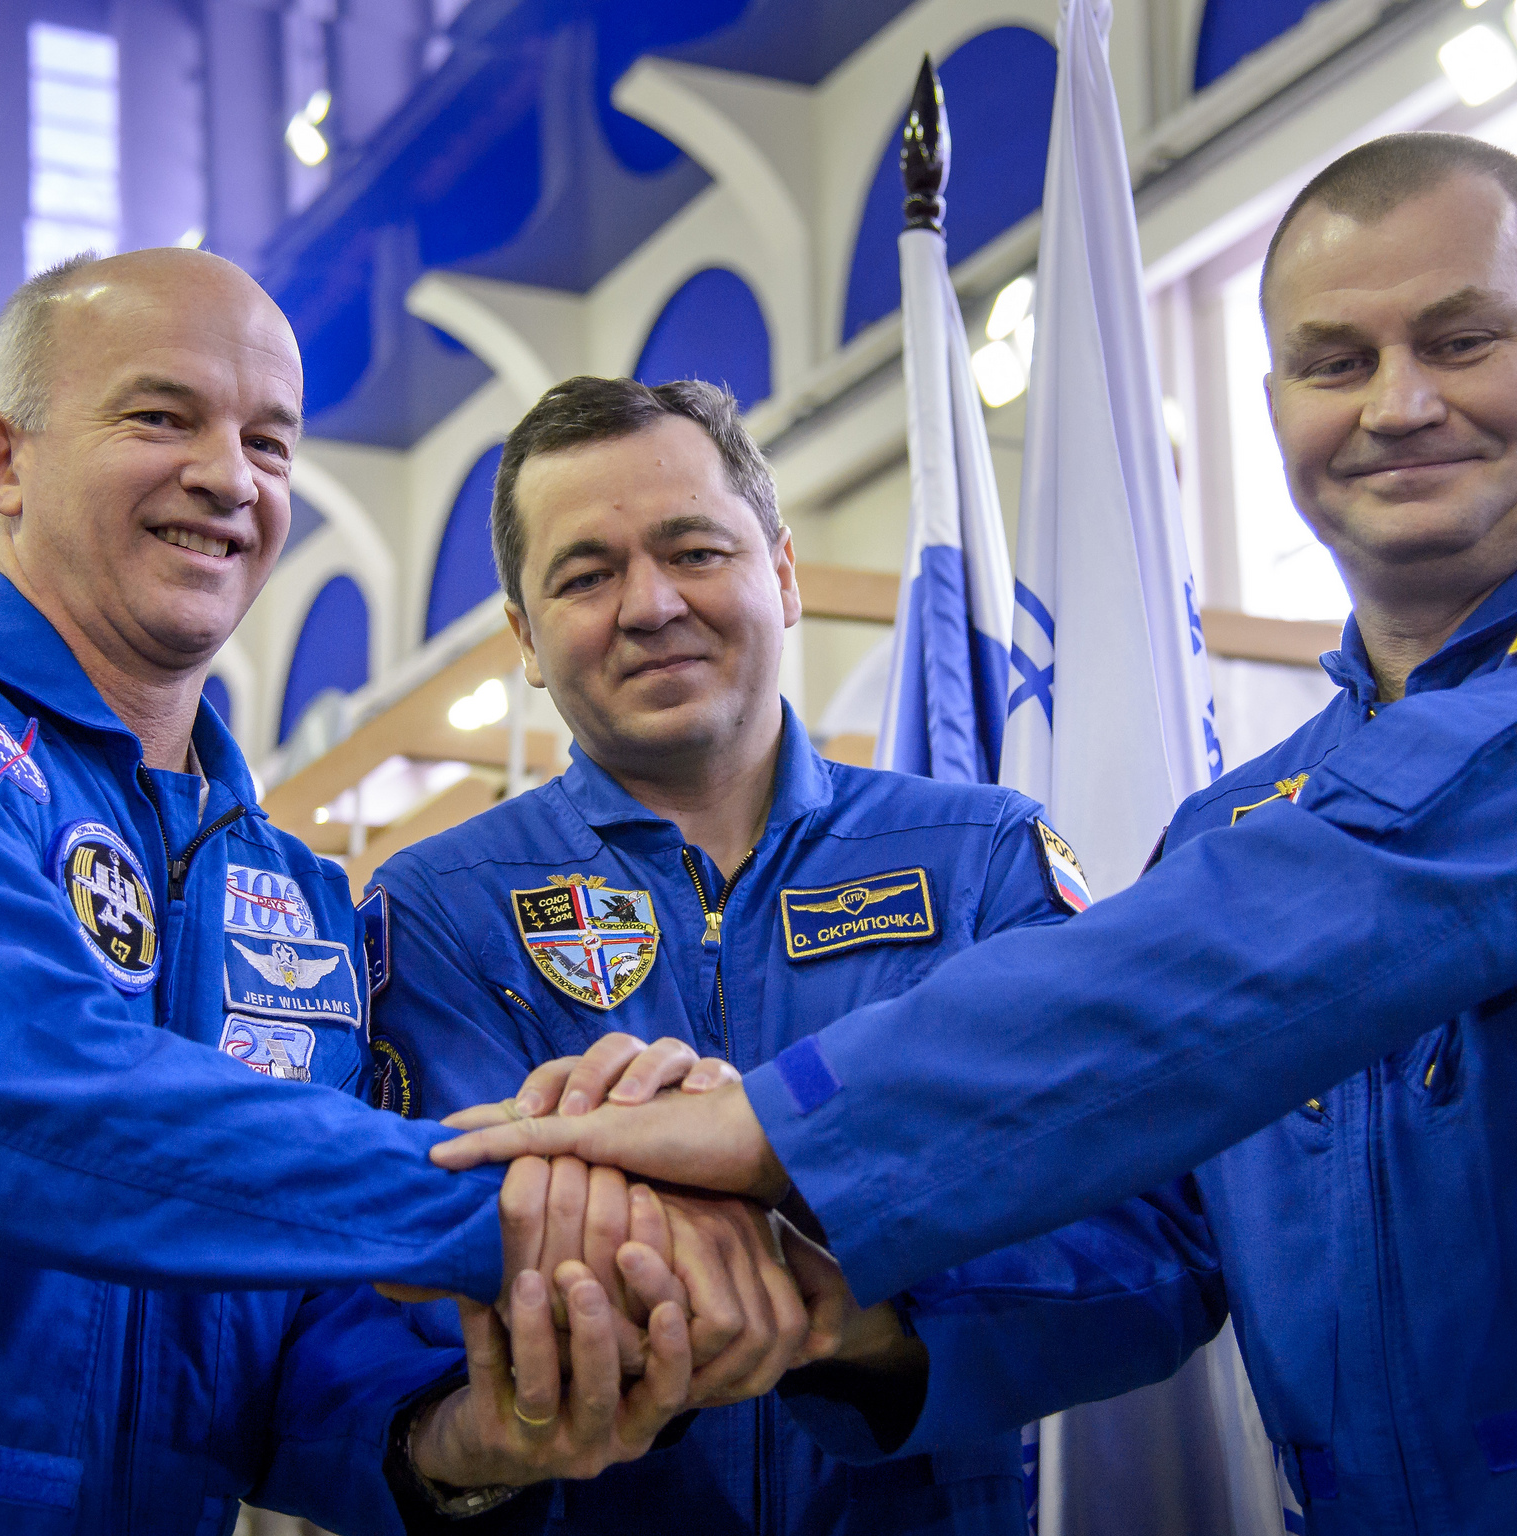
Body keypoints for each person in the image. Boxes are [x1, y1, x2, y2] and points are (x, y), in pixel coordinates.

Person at [435, 133, 1517, 1533]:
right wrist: (850, 1313)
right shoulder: (1230, 827)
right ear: (1275, 409)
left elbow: (1349, 898)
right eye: (1336, 363)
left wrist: (774, 1124)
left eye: (1462, 339)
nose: (1400, 404)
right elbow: (1159, 1240)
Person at [0, 247, 792, 1535]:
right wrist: (524, 1207)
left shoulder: (296, 893)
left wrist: (471, 1435)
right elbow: (16, 1097)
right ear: (2, 461)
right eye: (160, 416)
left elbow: (297, 1345)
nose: (229, 478)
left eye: (271, 443)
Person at [370, 376, 1224, 1533]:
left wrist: (848, 1321)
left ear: (780, 573)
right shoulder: (437, 910)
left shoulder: (979, 860)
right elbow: (427, 1285)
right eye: (584, 575)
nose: (650, 603)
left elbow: (1153, 1247)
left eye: (693, 550)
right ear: (523, 638)